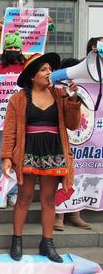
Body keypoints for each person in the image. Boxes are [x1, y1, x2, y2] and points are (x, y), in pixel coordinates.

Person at [1, 53, 81, 263]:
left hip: (53, 152)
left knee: (48, 199)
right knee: (24, 197)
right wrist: (7, 157)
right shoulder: (18, 98)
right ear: (32, 76)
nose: (49, 73)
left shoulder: (61, 94)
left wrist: (73, 99)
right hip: (28, 151)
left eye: (50, 69)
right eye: (44, 70)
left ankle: (47, 243)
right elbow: (9, 131)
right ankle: (16, 240)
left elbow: (73, 124)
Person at [0, 32, 26, 208]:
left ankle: (14, 193)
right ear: (4, 49)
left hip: (22, 120)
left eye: (16, 47)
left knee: (18, 158)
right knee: (1, 157)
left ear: (21, 50)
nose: (12, 50)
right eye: (9, 47)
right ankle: (1, 193)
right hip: (0, 121)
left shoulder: (27, 68)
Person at [53, 58, 91, 231]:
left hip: (85, 139)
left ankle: (75, 214)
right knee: (61, 178)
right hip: (62, 138)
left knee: (79, 177)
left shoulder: (87, 87)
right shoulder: (56, 89)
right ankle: (58, 215)